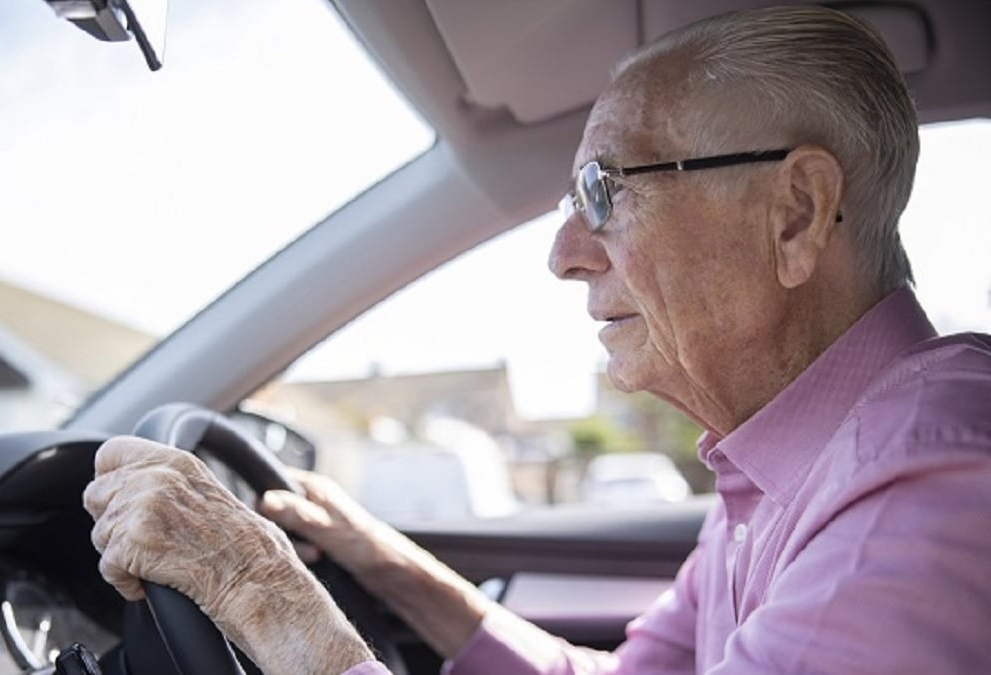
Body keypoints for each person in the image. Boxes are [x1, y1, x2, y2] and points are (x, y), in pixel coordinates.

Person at [82, 5, 991, 674]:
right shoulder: (788, 470)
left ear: (794, 215)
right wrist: (381, 557)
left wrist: (259, 590)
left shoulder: (925, 487)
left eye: (606, 190)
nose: (564, 254)